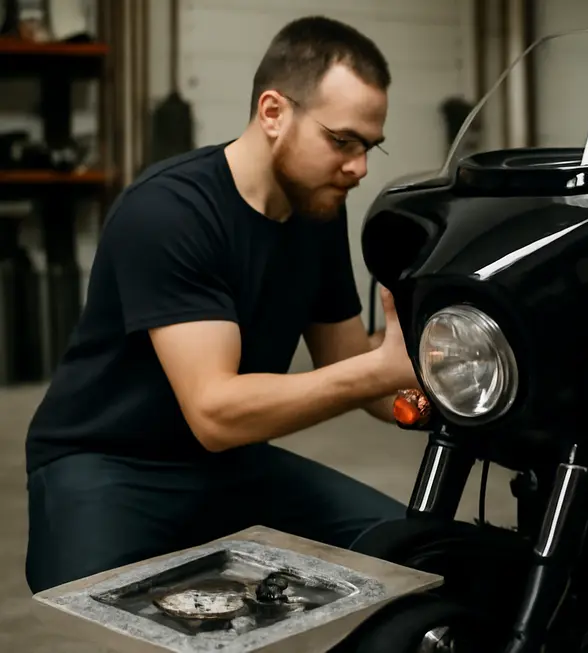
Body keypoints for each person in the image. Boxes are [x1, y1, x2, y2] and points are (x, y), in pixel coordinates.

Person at [24, 16, 420, 594]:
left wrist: (455, 383)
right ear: (273, 113)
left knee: (413, 552)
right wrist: (376, 371)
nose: (358, 166)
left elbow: (353, 369)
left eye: (368, 147)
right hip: (110, 465)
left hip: (230, 464)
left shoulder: (318, 210)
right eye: (341, 141)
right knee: (98, 628)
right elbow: (215, 412)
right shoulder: (170, 212)